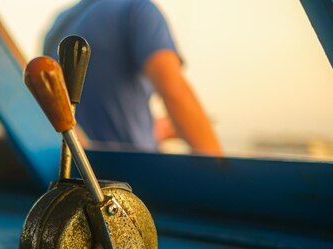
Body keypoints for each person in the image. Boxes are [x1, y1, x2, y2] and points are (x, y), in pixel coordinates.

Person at [44, 0, 223, 156]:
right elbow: (175, 93)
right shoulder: (139, 9)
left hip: (73, 173)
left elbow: (77, 115)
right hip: (128, 180)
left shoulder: (58, 26)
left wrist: (152, 130)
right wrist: (222, 174)